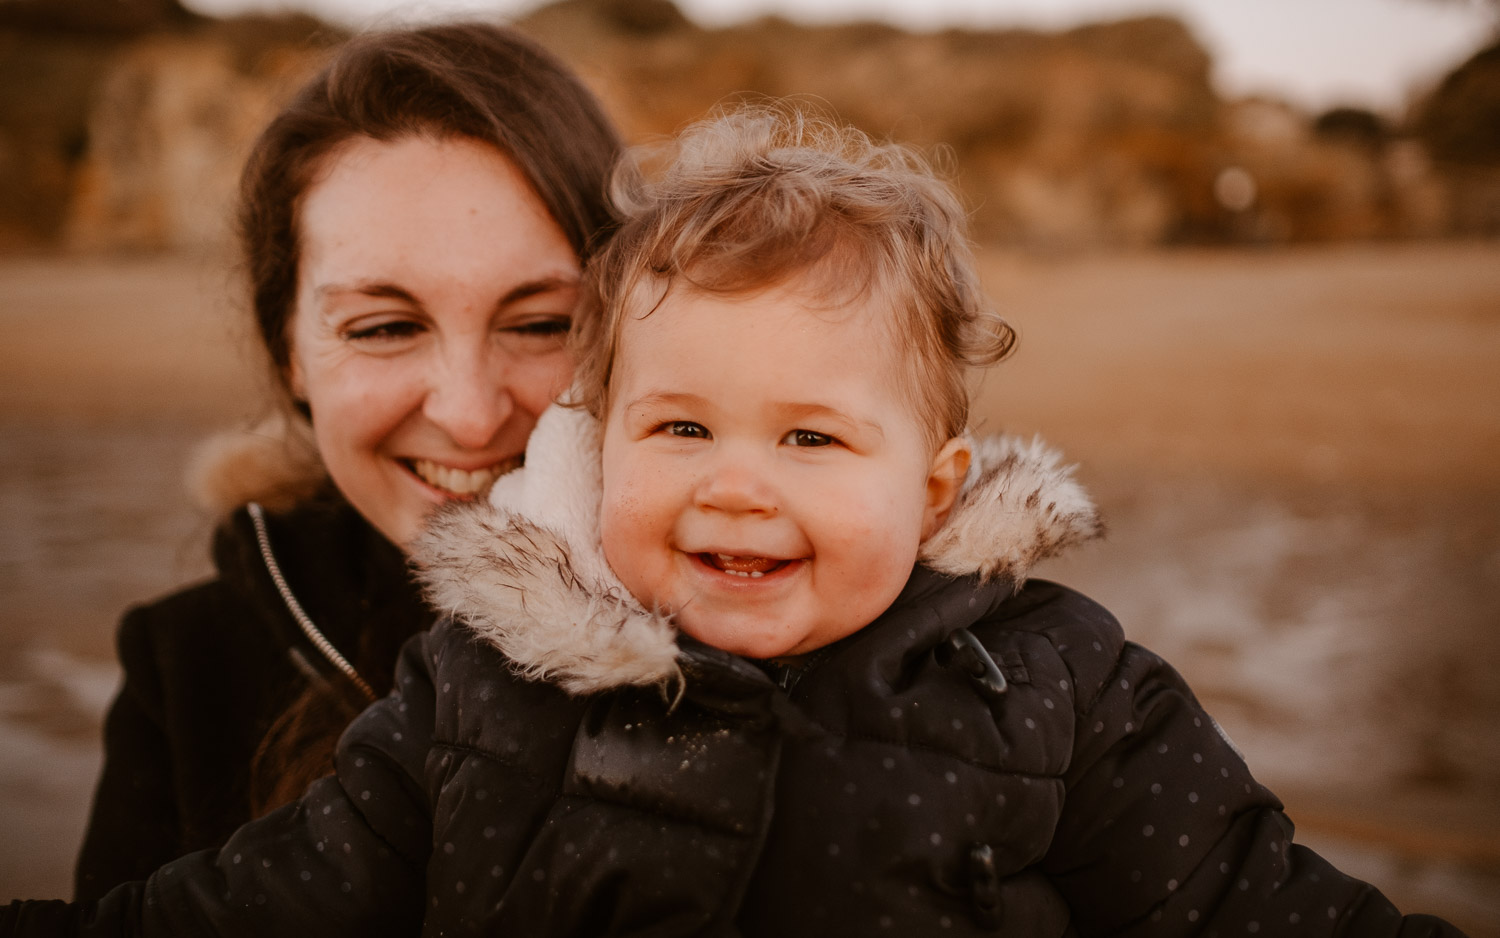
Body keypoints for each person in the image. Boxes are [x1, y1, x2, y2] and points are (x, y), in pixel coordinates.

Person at [12, 106, 1465, 935]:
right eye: (680, 426)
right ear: (593, 444)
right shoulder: (480, 688)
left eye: (814, 437)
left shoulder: (1058, 688)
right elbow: (259, 908)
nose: (736, 481)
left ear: (935, 486)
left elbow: (1260, 909)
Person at [70, 21, 624, 900]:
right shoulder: (186, 668)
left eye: (541, 323)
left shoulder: (782, 621)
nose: (470, 412)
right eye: (386, 327)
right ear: (287, 351)